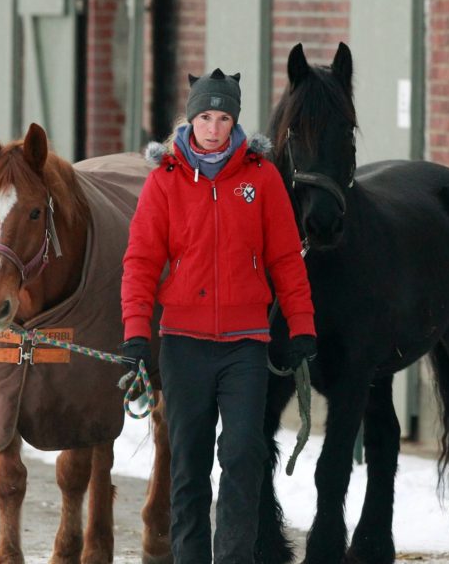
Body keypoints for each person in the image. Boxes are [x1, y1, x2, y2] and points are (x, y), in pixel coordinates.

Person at [120, 68, 317, 563]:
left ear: (235, 122)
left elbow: (286, 259)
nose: (213, 127)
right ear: (191, 119)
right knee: (187, 467)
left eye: (223, 117)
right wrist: (135, 336)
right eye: (205, 116)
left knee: (242, 458)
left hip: (245, 345)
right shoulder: (165, 181)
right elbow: (140, 263)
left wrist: (302, 326)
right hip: (183, 345)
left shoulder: (261, 177)